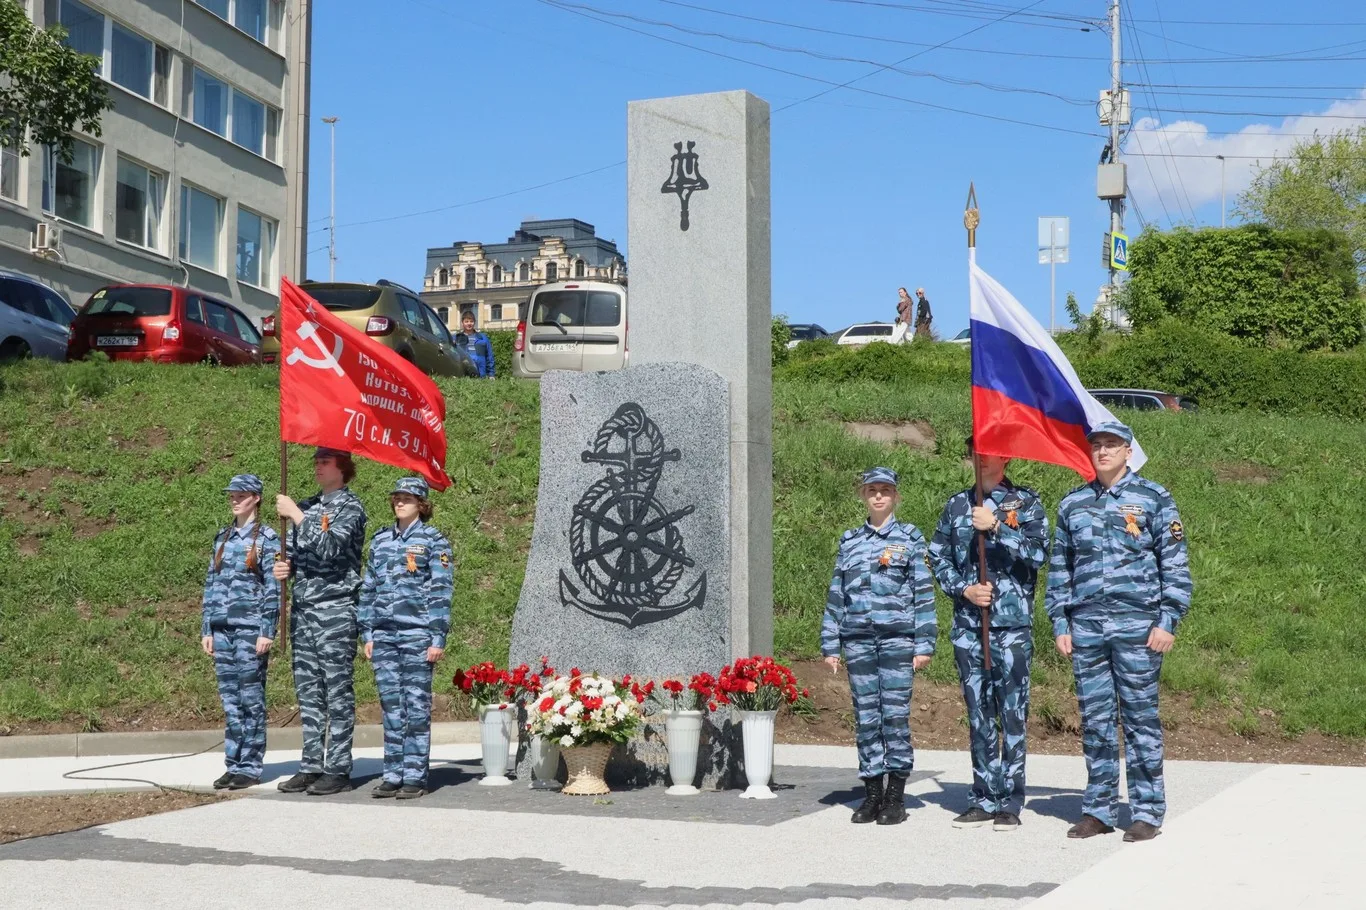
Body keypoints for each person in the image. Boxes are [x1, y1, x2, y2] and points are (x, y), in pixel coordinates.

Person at [1045, 421, 1192, 842]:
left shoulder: (1153, 498)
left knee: (1141, 719)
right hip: (1087, 627)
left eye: (1112, 445)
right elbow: (1061, 569)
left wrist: (1168, 620)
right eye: (1097, 446)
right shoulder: (1073, 504)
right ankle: (1099, 808)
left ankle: (1146, 810)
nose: (1103, 451)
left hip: (1138, 627)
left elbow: (1175, 565)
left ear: (1129, 452)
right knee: (1095, 720)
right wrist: (1060, 622)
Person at [929, 438, 1049, 832]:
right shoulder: (956, 505)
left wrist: (996, 527)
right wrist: (962, 588)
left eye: (988, 450)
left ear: (1006, 456)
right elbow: (938, 555)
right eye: (974, 451)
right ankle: (982, 796)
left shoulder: (1026, 504)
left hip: (1011, 628)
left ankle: (1010, 801)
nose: (980, 458)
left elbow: (1038, 554)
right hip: (969, 627)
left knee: (1012, 715)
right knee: (979, 715)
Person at [821, 467, 936, 826]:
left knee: (895, 718)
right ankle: (872, 794)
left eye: (885, 490)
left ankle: (895, 797)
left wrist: (925, 642)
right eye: (872, 490)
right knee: (867, 718)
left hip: (897, 640)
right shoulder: (850, 540)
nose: (879, 496)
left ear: (896, 496)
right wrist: (830, 643)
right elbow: (837, 594)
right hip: (858, 641)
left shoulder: (910, 538)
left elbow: (923, 593)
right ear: (863, 495)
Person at [273, 447, 369, 796]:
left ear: (342, 469)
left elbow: (329, 548)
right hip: (305, 609)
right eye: (315, 461)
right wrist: (286, 567)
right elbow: (299, 555)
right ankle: (312, 764)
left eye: (324, 462)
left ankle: (339, 767)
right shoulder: (309, 505)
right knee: (309, 691)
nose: (317, 466)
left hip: (335, 608)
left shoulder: (350, 507)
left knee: (336, 689)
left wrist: (298, 516)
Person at [358, 477, 454, 800]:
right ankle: (393, 773)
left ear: (422, 505)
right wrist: (366, 630)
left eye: (408, 498)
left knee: (416, 705)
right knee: (390, 705)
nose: (400, 502)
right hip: (384, 634)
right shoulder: (381, 541)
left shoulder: (433, 541)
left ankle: (414, 775)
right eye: (397, 497)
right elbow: (368, 587)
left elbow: (441, 591)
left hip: (417, 634)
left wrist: (437, 637)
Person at [201, 474, 280, 790]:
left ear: (256, 498)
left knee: (250, 698)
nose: (234, 499)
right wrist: (207, 627)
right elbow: (211, 583)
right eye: (232, 495)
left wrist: (267, 630)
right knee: (230, 700)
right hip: (222, 629)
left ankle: (250, 764)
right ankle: (233, 763)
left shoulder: (267, 540)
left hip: (250, 630)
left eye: (241, 495)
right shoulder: (222, 537)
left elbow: (274, 588)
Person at [456, 311, 496, 378]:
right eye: (466, 321)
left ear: (474, 322)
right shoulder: (457, 338)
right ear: (462, 323)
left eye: (471, 321)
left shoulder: (483, 338)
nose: (469, 324)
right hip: (463, 375)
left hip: (481, 375)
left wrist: (491, 374)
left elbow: (489, 356)